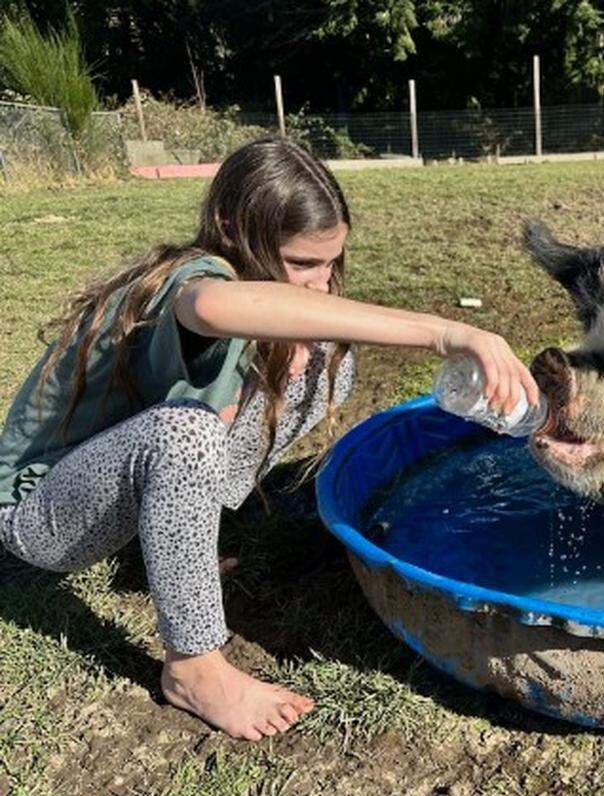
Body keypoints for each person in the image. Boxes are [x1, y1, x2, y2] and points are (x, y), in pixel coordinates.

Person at [0, 136, 539, 741]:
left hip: (116, 484)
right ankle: (194, 668)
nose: (321, 283)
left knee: (327, 362)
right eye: (302, 264)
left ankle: (186, 547)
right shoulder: (189, 280)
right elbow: (212, 308)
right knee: (186, 434)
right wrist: (445, 332)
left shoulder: (276, 290)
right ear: (234, 229)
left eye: (331, 262)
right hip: (40, 515)